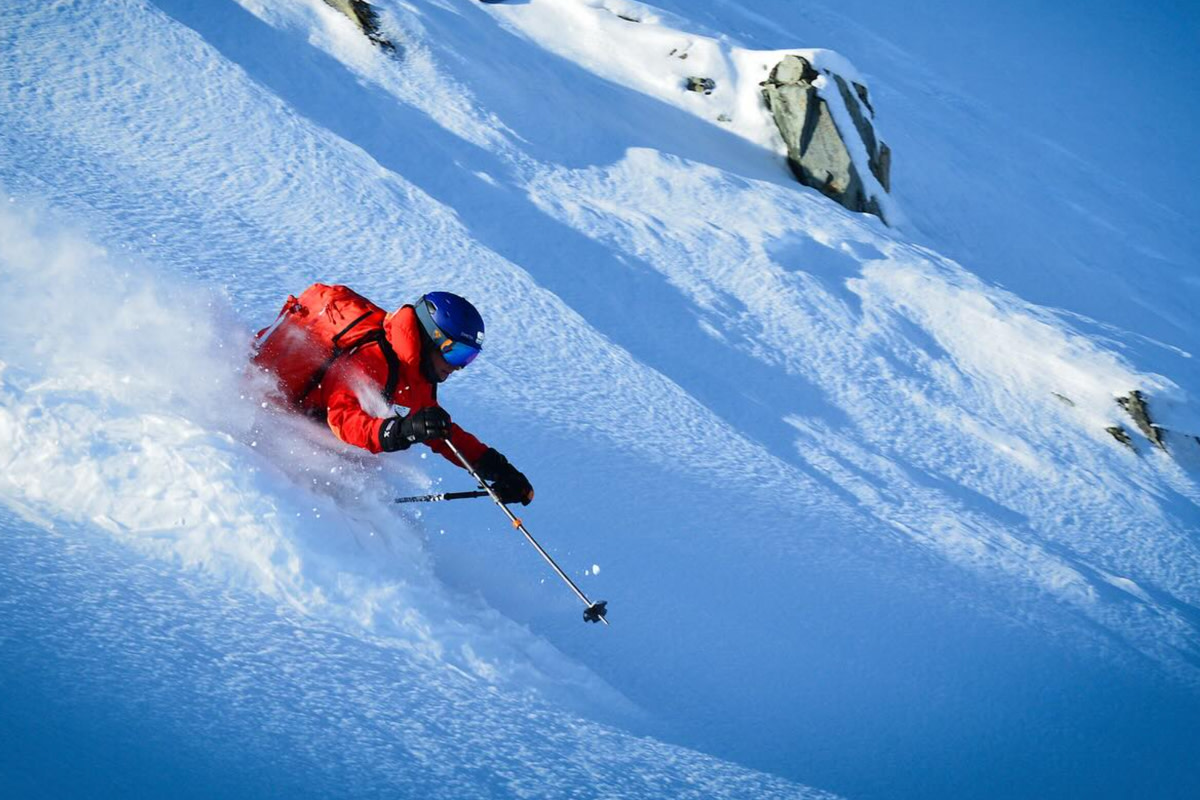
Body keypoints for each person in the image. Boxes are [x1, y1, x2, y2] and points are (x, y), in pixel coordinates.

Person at [253, 285, 534, 505]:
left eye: (468, 357)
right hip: (270, 421)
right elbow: (342, 418)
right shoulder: (371, 358)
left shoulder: (417, 375)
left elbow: (440, 433)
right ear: (431, 338)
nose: (458, 366)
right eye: (455, 352)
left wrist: (496, 469)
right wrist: (400, 430)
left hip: (308, 436)